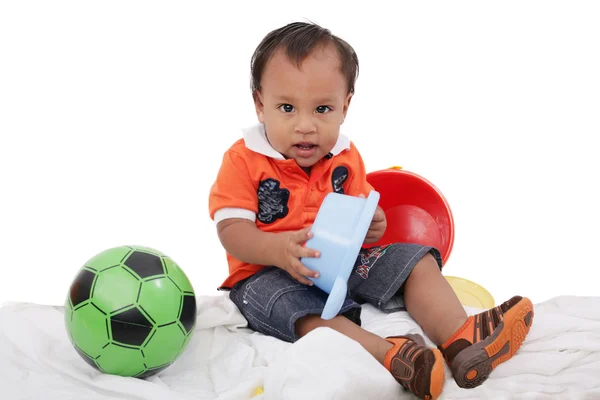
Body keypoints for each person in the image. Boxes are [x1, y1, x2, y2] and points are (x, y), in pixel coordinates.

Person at [208, 21, 534, 400]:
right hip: (268, 274)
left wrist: (370, 227)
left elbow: (359, 219)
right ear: (260, 104)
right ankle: (395, 357)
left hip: (340, 265)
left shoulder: (345, 157)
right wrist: (278, 250)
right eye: (287, 108)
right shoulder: (243, 159)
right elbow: (231, 231)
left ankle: (462, 340)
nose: (305, 126)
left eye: (322, 109)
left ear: (345, 107)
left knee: (414, 260)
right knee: (302, 314)